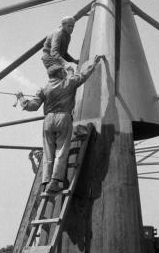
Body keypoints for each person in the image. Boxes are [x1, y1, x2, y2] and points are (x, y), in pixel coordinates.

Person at [16, 55, 102, 193]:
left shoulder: (44, 89)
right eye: (63, 71)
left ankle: (46, 181)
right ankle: (55, 181)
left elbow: (32, 106)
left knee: (48, 152)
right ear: (60, 73)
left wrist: (21, 99)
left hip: (48, 120)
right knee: (61, 150)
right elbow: (84, 75)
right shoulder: (69, 82)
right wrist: (94, 63)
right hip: (63, 117)